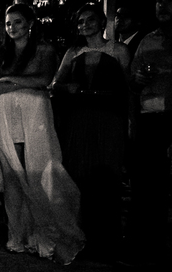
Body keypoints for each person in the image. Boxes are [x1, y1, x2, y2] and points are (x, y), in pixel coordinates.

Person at [0, 4, 84, 264]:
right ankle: (17, 235)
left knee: (39, 171)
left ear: (29, 23)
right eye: (8, 23)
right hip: (6, 115)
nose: (12, 28)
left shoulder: (45, 49)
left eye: (17, 22)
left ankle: (47, 234)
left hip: (35, 114)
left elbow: (44, 79)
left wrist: (10, 81)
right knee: (12, 175)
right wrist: (18, 82)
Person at [51, 26, 128, 256]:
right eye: (81, 20)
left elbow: (127, 88)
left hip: (108, 119)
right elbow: (55, 85)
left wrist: (129, 120)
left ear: (102, 21)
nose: (86, 24)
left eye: (90, 19)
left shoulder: (118, 50)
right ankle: (82, 234)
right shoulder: (73, 52)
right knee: (79, 174)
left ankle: (108, 237)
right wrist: (67, 87)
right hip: (80, 119)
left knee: (107, 174)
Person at [127, 0, 172, 257]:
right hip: (150, 121)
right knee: (146, 187)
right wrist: (138, 80)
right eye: (158, 0)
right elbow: (132, 80)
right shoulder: (148, 40)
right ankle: (146, 247)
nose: (162, 5)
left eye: (169, 0)